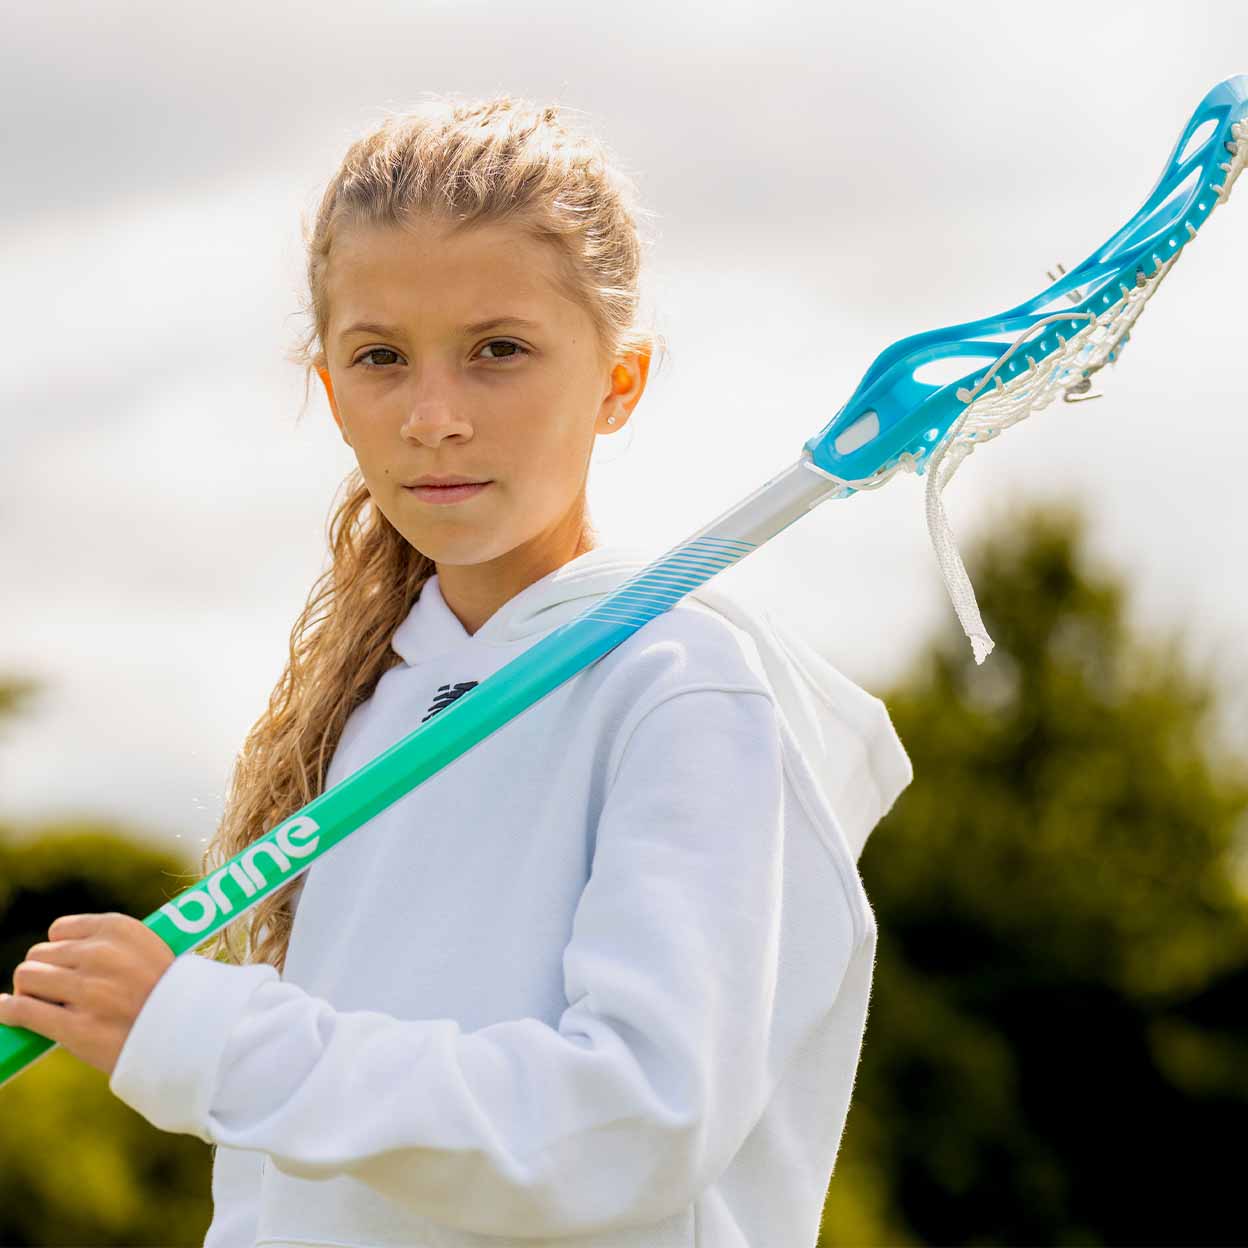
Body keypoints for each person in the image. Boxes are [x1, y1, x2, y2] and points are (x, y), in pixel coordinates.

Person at [103, 94, 913, 1246]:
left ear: (619, 381)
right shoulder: (375, 701)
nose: (434, 416)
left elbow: (631, 1127)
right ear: (331, 393)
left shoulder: (682, 687)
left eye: (499, 352)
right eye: (381, 358)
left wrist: (213, 1038)